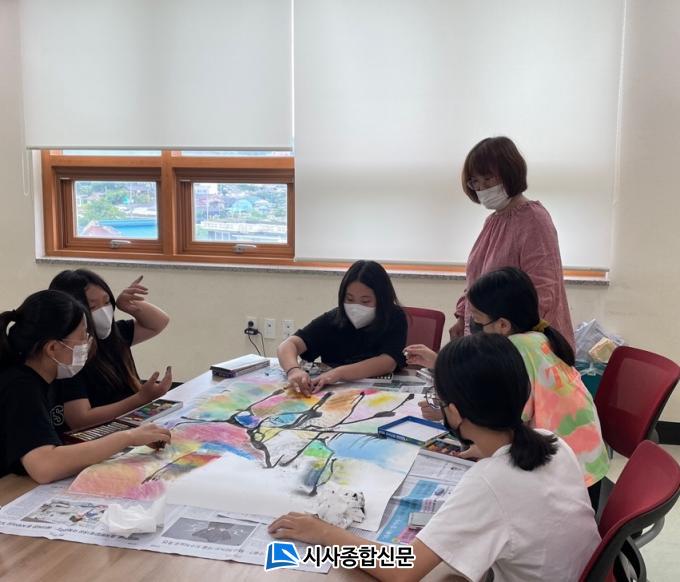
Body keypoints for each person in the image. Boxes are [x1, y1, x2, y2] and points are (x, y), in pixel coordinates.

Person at [269, 334, 600, 582]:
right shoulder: (553, 442)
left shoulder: (490, 482)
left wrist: (323, 533)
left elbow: (402, 571)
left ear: (453, 412)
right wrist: (485, 450)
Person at [408, 267, 608, 505]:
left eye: (478, 321)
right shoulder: (540, 339)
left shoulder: (516, 351)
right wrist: (438, 362)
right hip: (591, 467)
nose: (474, 327)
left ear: (503, 325)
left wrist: (456, 422)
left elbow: (500, 420)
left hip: (568, 483)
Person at [0, 290, 171, 484]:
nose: (89, 343)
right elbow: (45, 466)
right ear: (53, 348)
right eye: (82, 337)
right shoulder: (20, 387)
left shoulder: (49, 375)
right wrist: (127, 438)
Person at [450, 136, 574, 347]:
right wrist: (463, 316)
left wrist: (510, 337)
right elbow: (476, 280)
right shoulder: (493, 221)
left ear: (510, 172)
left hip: (525, 345)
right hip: (489, 339)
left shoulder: (534, 219)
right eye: (475, 182)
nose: (482, 188)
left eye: (488, 179)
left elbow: (543, 290)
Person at [48, 269, 171, 432]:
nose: (103, 311)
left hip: (128, 428)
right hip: (98, 436)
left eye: (107, 302)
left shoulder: (115, 334)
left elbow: (159, 322)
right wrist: (140, 399)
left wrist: (127, 305)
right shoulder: (70, 355)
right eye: (92, 306)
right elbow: (80, 420)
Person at [277, 260, 407, 395]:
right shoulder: (334, 319)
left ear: (382, 299)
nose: (356, 307)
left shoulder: (394, 317)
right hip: (333, 394)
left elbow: (388, 362)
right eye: (349, 299)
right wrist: (293, 370)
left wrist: (338, 373)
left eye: (365, 301)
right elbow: (289, 344)